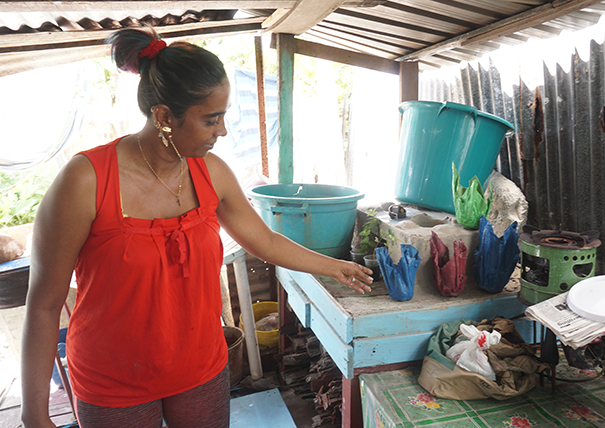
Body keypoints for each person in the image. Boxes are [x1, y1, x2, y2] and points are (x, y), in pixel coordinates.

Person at [20, 26, 373, 428]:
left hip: (199, 369)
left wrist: (334, 267)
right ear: (164, 116)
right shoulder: (86, 181)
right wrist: (34, 414)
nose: (222, 131)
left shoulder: (212, 174)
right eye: (211, 119)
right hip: (113, 379)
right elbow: (44, 304)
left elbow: (263, 239)